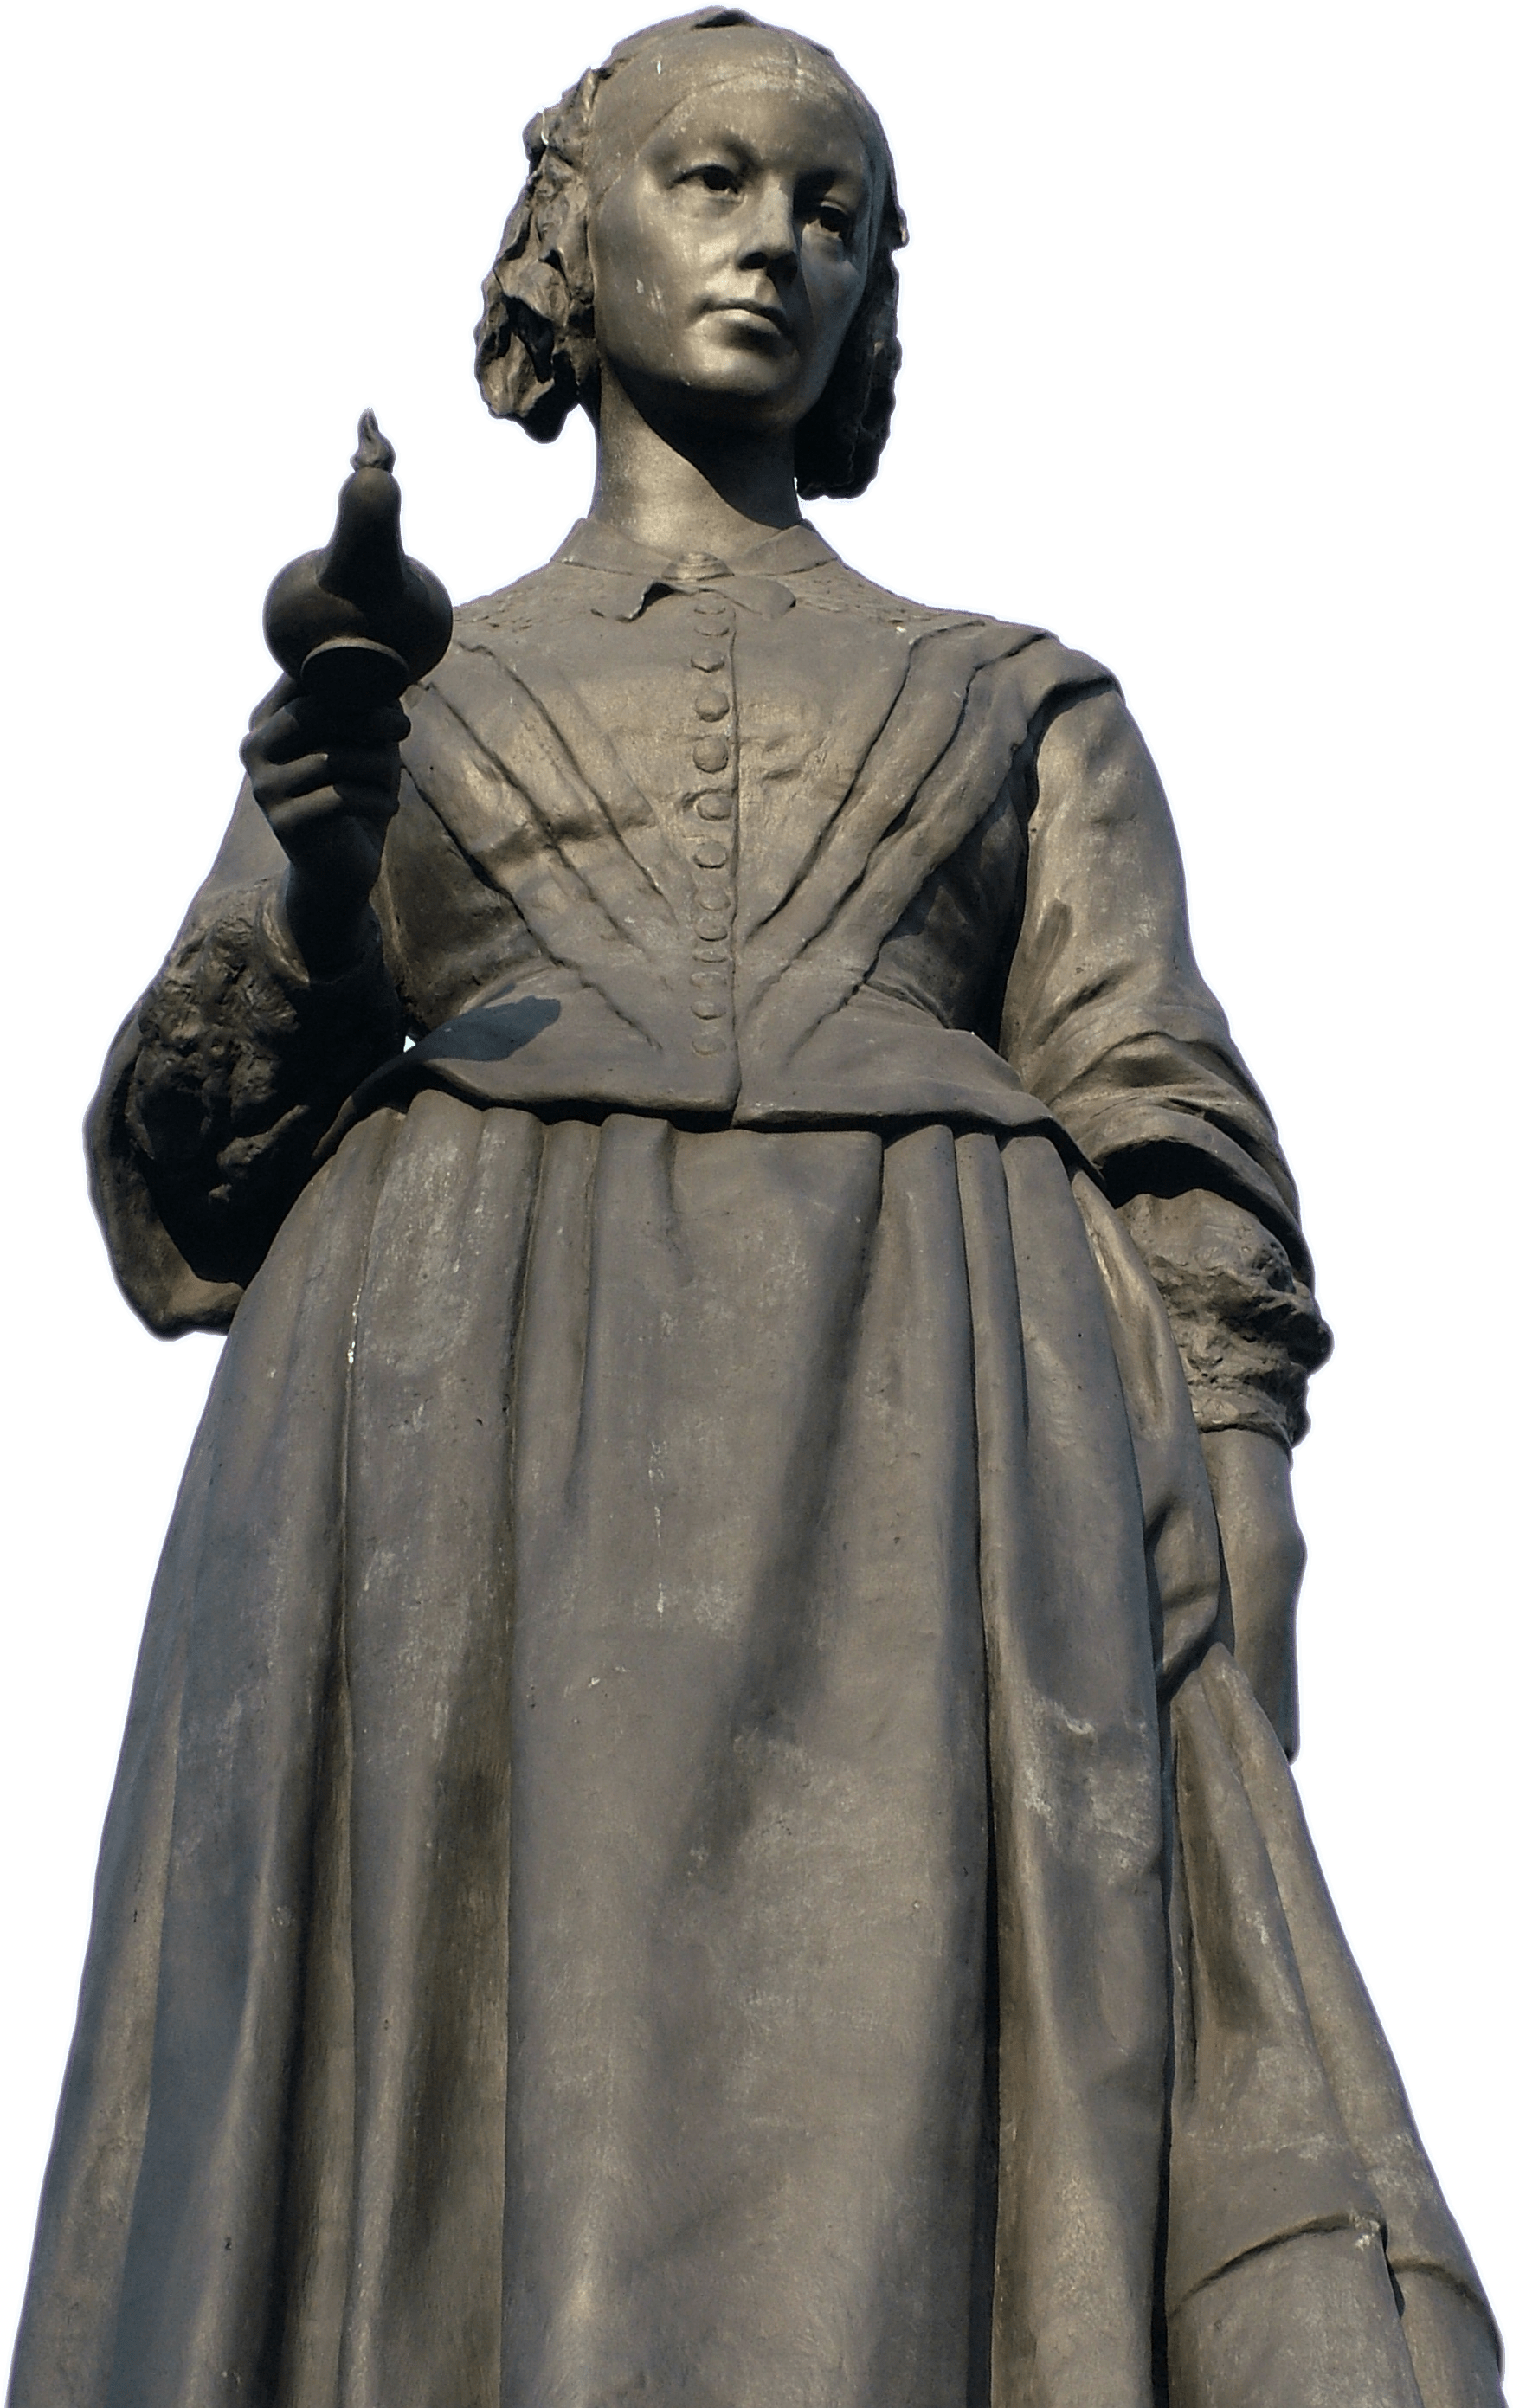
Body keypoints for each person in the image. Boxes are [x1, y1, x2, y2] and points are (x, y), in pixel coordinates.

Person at [14, 10, 1503, 2404]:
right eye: (710, 184)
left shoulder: (1019, 698)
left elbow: (1167, 1121)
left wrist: (1236, 1495)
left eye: (834, 216)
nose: (773, 247)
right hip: (459, 1420)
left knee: (916, 2111)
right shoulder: (417, 691)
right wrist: (314, 875)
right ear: (570, 245)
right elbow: (185, 1179)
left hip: (942, 1426)